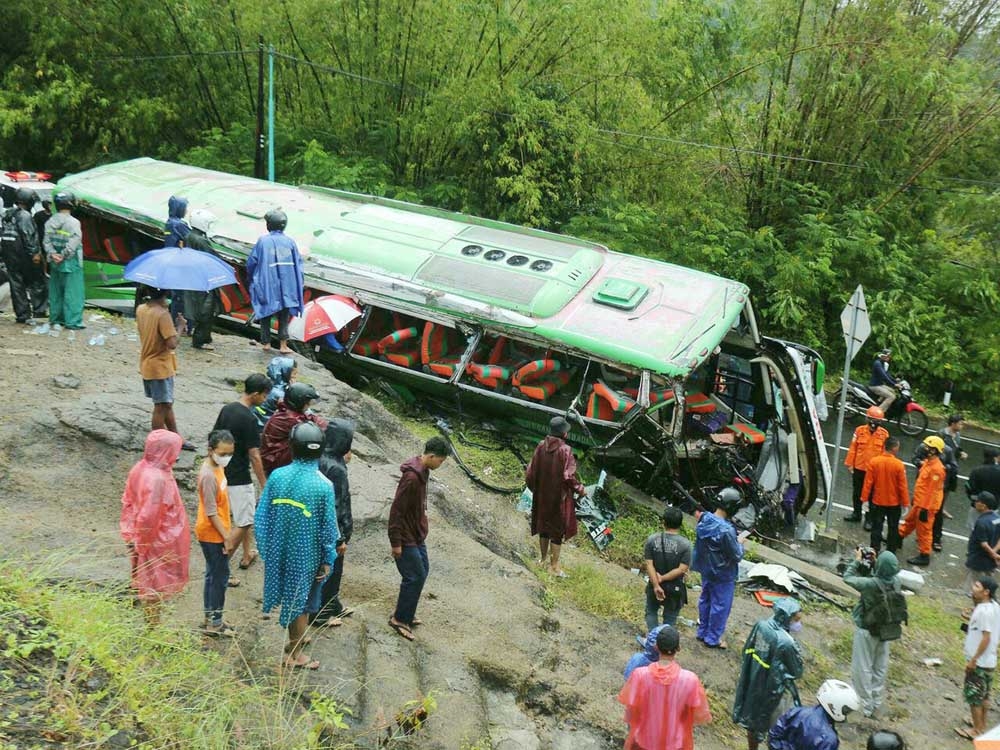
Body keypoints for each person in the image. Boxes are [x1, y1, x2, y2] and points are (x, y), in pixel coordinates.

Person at [255, 422, 338, 670]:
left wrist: (268, 548)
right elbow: (328, 529)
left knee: (293, 599)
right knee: (303, 604)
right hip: (307, 557)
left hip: (279, 549)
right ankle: (295, 654)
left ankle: (295, 641)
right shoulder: (323, 485)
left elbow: (262, 516)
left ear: (292, 447)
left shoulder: (278, 476)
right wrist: (327, 559)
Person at [119, 430, 191, 626]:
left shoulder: (141, 468)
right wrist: (142, 544)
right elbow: (149, 516)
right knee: (153, 585)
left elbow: (129, 500)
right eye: (175, 450)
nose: (177, 456)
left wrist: (133, 536)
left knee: (142, 577)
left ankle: (147, 619)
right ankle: (153, 629)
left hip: (138, 533)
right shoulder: (158, 479)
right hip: (154, 540)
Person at [387, 436, 450, 641]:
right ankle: (399, 619)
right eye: (440, 460)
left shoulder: (424, 471)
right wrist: (396, 542)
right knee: (413, 576)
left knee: (422, 572)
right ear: (431, 456)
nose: (440, 464)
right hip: (405, 536)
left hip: (417, 534)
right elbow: (397, 511)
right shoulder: (412, 478)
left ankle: (407, 611)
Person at [213, 373, 272, 571]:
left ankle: (247, 554)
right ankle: (221, 566)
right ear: (255, 394)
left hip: (222, 472)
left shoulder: (227, 409)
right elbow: (255, 455)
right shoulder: (249, 419)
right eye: (264, 396)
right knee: (245, 521)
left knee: (241, 515)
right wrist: (265, 484)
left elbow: (214, 438)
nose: (265, 399)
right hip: (239, 477)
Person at [618, 626, 712, 750]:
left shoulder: (639, 675)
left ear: (656, 646)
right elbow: (698, 716)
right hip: (674, 743)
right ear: (678, 648)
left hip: (645, 740)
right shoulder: (690, 680)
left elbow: (630, 712)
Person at [732, 598, 804, 750]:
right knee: (778, 726)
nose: (798, 624)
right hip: (774, 691)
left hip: (754, 680)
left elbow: (748, 649)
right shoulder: (786, 642)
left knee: (752, 721)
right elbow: (797, 671)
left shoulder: (762, 625)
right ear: (787, 618)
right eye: (796, 620)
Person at [843, 549, 906, 718]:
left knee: (862, 667)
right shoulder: (896, 582)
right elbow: (881, 578)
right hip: (886, 629)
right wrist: (876, 564)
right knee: (880, 666)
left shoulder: (869, 585)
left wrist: (857, 561)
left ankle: (864, 705)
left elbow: (847, 578)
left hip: (866, 629)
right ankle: (876, 702)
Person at [525, 416, 587, 578]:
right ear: (564, 434)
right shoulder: (565, 450)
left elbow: (530, 473)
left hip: (542, 495)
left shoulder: (540, 446)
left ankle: (543, 559)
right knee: (557, 532)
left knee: (544, 528)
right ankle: (554, 567)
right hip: (559, 498)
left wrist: (536, 490)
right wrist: (580, 489)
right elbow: (568, 476)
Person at [135, 288, 195, 450]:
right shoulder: (162, 315)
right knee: (161, 406)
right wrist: (181, 326)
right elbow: (172, 343)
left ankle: (176, 438)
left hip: (148, 363)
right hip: (159, 367)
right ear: (165, 295)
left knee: (166, 403)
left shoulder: (142, 309)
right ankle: (157, 445)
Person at [312, 419, 356, 627]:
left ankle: (332, 604)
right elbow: (337, 506)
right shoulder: (336, 468)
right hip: (333, 530)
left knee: (326, 568)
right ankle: (321, 614)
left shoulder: (319, 458)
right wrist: (340, 538)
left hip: (317, 525)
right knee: (331, 569)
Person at [692, 487, 747, 649]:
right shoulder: (727, 530)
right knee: (720, 606)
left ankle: (702, 632)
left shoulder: (704, 518)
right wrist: (740, 543)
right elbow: (736, 555)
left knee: (705, 599)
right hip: (723, 573)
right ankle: (712, 638)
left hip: (706, 568)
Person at [195, 430, 237, 637]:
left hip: (217, 529)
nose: (227, 457)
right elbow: (211, 511)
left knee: (213, 574)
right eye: (223, 453)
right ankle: (215, 622)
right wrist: (227, 537)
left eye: (230, 453)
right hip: (212, 534)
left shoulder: (217, 466)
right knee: (219, 577)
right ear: (211, 450)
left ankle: (210, 617)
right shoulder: (208, 476)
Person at [246, 208, 304, 354]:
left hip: (268, 283)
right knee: (284, 314)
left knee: (265, 311)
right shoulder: (290, 242)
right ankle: (283, 345)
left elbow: (252, 261)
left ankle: (266, 343)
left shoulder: (263, 241)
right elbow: (299, 265)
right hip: (286, 285)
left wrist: (252, 278)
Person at [956, 576, 1000, 740]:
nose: (973, 587)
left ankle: (977, 730)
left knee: (974, 695)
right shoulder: (994, 606)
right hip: (990, 659)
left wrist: (973, 660)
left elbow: (986, 637)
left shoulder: (983, 612)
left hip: (979, 661)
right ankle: (981, 724)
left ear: (986, 592)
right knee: (985, 695)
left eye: (977, 586)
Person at [767, 679, 861, 750]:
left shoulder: (798, 712)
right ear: (835, 706)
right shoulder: (829, 739)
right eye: (846, 711)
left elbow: (774, 735)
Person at [1, 186, 47, 324]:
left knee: (16, 284)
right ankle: (39, 310)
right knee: (37, 281)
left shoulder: (8, 214)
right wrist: (35, 253)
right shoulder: (25, 215)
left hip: (9, 253)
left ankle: (22, 314)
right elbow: (29, 235)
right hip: (23, 254)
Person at [260, 382, 328, 475]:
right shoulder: (290, 418)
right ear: (299, 402)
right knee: (310, 439)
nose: (309, 406)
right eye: (307, 403)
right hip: (273, 461)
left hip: (273, 456)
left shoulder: (287, 410)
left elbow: (311, 418)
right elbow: (314, 428)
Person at [898, 435, 947, 566]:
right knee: (910, 521)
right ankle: (899, 537)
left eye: (927, 447)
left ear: (934, 450)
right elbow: (922, 485)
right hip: (920, 501)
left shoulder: (937, 469)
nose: (924, 448)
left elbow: (931, 491)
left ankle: (924, 555)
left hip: (927, 506)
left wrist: (925, 509)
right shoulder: (927, 462)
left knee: (924, 531)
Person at [643, 506, 692, 630]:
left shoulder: (652, 540)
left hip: (654, 583)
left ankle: (653, 638)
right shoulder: (686, 545)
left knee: (651, 611)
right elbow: (682, 570)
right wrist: (663, 578)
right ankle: (664, 644)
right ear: (680, 524)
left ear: (663, 522)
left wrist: (656, 585)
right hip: (675, 587)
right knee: (670, 618)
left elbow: (649, 564)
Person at [44, 191, 85, 330]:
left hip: (54, 262)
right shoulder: (74, 222)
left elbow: (46, 241)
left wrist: (53, 254)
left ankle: (56, 319)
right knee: (73, 293)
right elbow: (74, 241)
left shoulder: (50, 221)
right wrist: (63, 255)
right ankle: (73, 322)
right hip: (71, 262)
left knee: (56, 292)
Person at [843, 406, 889, 528]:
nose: (874, 423)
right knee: (857, 493)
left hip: (874, 472)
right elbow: (853, 448)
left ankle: (869, 520)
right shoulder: (859, 431)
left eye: (877, 421)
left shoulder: (884, 435)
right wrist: (850, 464)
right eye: (872, 420)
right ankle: (856, 514)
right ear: (867, 419)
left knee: (871, 496)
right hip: (859, 468)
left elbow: (885, 454)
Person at [181, 208, 220, 351]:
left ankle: (205, 337)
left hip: (193, 278)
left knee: (199, 308)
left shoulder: (188, 236)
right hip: (203, 279)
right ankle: (199, 340)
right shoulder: (201, 240)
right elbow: (213, 257)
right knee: (206, 310)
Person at [861, 437, 909, 552]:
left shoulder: (874, 462)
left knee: (876, 527)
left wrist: (865, 499)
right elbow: (902, 486)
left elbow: (868, 483)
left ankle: (874, 550)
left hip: (878, 501)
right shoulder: (899, 465)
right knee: (893, 528)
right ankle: (891, 551)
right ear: (894, 448)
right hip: (894, 503)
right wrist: (905, 503)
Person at [934, 414, 967, 550]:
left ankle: (942, 507)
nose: (961, 426)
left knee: (948, 490)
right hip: (943, 468)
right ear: (952, 423)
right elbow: (938, 451)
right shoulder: (942, 434)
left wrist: (961, 453)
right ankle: (938, 508)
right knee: (940, 489)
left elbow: (956, 448)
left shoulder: (957, 435)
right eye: (960, 424)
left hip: (952, 468)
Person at [163, 195, 191, 333]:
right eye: (185, 207)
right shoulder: (179, 225)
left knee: (176, 296)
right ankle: (179, 324)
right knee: (181, 297)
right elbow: (191, 238)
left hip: (171, 263)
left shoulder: (169, 222)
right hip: (179, 265)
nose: (186, 210)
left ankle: (174, 322)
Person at [965, 492, 1000, 593]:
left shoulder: (981, 522)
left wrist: (993, 554)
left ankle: (973, 604)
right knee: (988, 585)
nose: (975, 503)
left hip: (978, 559)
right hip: (991, 561)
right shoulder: (997, 518)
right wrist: (995, 552)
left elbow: (983, 544)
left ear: (983, 506)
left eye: (977, 501)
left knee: (974, 587)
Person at [254, 356, 297, 427]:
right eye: (293, 374)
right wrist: (294, 389)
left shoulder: (269, 382)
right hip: (266, 425)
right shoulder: (279, 393)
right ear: (285, 373)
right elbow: (294, 410)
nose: (295, 377)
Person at [966, 448, 1000, 533]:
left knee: (974, 530)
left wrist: (975, 500)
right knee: (990, 531)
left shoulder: (976, 470)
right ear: (995, 458)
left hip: (977, 506)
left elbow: (969, 487)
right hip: (993, 508)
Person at [868, 348, 897, 413]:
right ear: (883, 356)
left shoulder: (883, 363)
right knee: (892, 397)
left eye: (889, 356)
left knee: (893, 391)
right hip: (874, 386)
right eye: (888, 356)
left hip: (879, 384)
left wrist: (896, 381)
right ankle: (877, 412)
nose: (889, 358)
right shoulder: (877, 364)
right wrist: (893, 384)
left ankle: (878, 403)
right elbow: (884, 376)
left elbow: (887, 375)